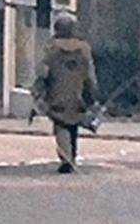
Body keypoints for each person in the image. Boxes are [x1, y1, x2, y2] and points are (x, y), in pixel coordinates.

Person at [32, 13, 98, 174]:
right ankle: (72, 155)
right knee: (74, 124)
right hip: (78, 92)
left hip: (57, 91)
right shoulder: (84, 48)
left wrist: (39, 89)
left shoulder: (51, 47)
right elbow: (90, 74)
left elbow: (43, 71)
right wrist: (92, 92)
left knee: (61, 124)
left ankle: (66, 158)